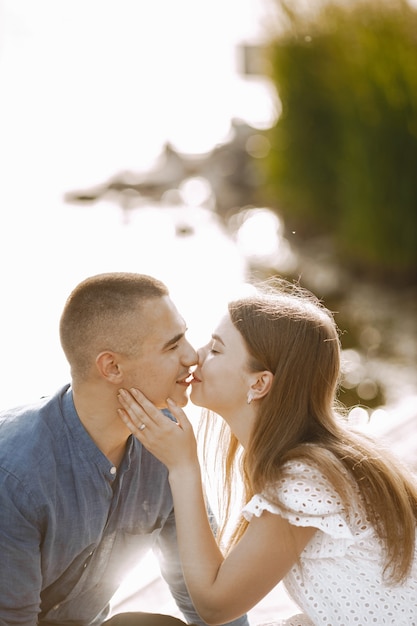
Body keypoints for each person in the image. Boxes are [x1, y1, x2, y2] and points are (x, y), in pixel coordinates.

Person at [117, 278, 417, 625]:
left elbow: (215, 607)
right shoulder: (319, 459)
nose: (195, 356)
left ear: (259, 383)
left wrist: (183, 466)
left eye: (215, 350)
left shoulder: (304, 483)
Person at [0, 272, 249, 626]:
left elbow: (205, 597)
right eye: (172, 345)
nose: (192, 356)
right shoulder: (14, 472)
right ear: (112, 367)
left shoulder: (166, 448)